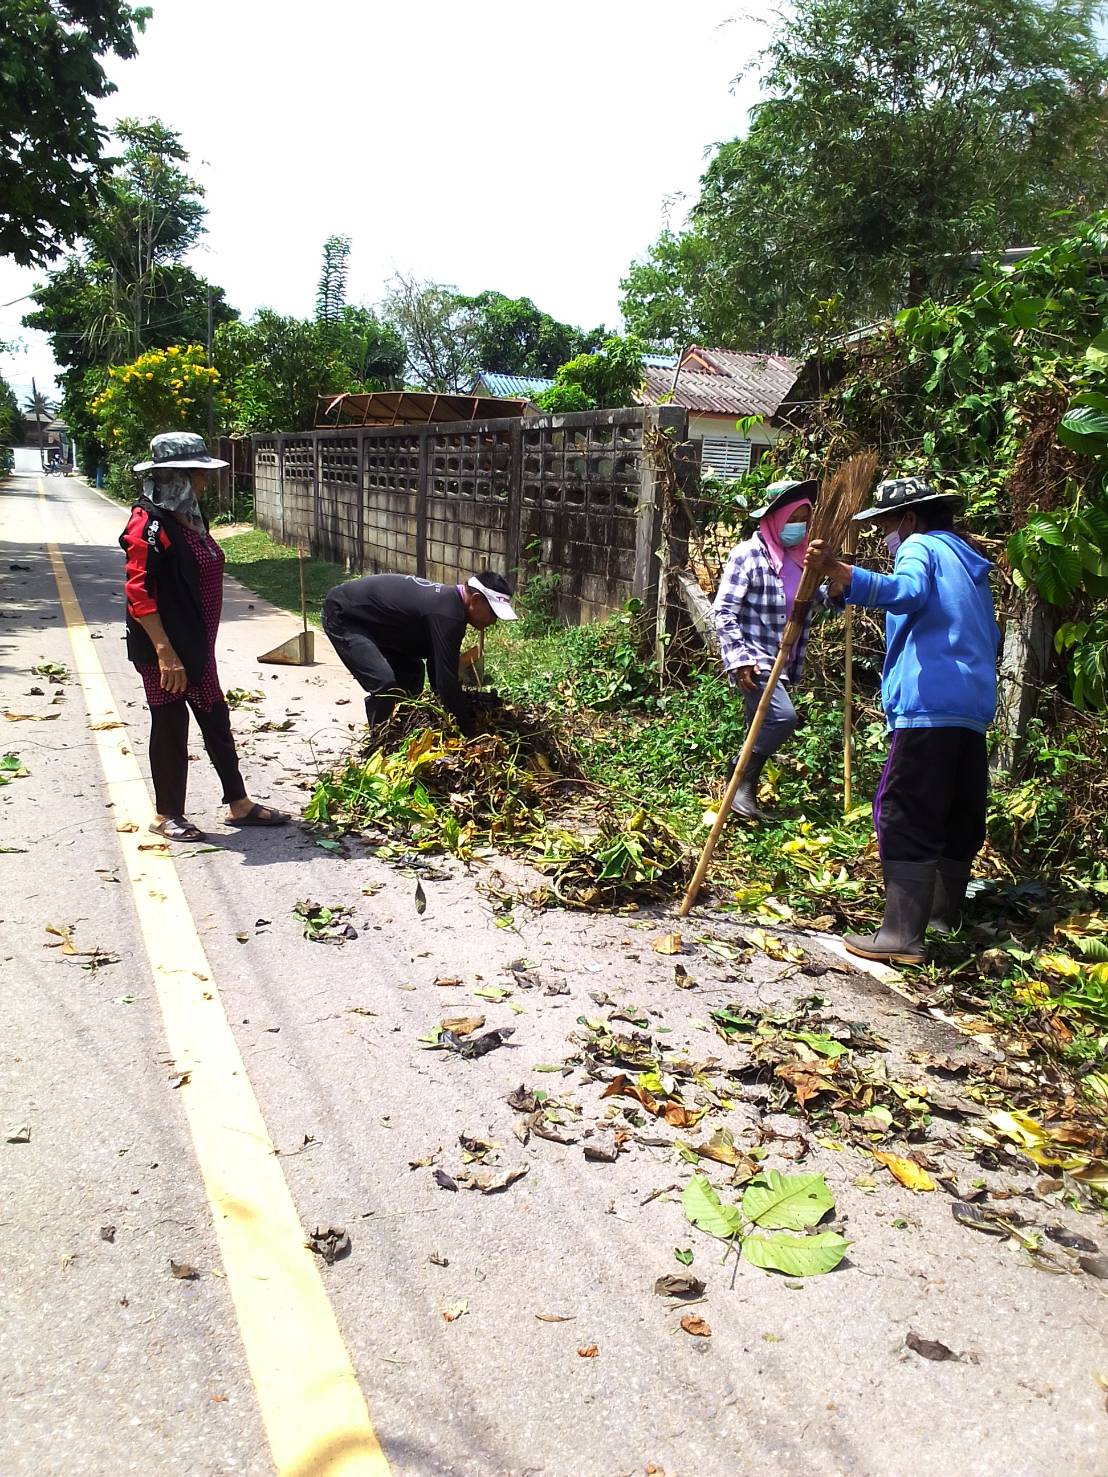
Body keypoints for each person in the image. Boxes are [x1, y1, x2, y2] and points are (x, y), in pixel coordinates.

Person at [806, 476, 1001, 965]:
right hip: (970, 707)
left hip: (928, 702)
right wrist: (842, 588)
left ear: (909, 520)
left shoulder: (920, 548)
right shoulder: (968, 562)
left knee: (906, 809)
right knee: (956, 810)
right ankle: (941, 918)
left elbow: (907, 592)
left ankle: (900, 934)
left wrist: (839, 568)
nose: (887, 537)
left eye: (888, 526)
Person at [121, 432, 289, 843]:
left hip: (196, 648)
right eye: (198, 474)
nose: (204, 482)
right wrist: (165, 653)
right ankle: (166, 815)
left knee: (216, 718)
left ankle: (240, 804)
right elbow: (138, 592)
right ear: (177, 475)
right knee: (171, 722)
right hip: (166, 650)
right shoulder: (148, 523)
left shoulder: (191, 519)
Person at [712, 478, 821, 819]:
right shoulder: (747, 556)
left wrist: (834, 591)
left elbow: (808, 604)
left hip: (785, 659)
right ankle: (737, 770)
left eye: (804, 519)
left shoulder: (802, 560)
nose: (798, 527)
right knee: (783, 718)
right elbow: (724, 611)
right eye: (792, 519)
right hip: (754, 660)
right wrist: (739, 659)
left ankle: (740, 799)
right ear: (775, 518)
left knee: (756, 728)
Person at [321, 570, 518, 736]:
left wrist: (447, 709)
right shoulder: (448, 614)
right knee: (384, 683)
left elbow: (437, 665)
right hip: (344, 615)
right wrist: (469, 732)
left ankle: (400, 735)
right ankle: (378, 745)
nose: (493, 621)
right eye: (493, 613)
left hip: (380, 625)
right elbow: (446, 682)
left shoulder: (452, 607)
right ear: (475, 600)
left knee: (412, 676)